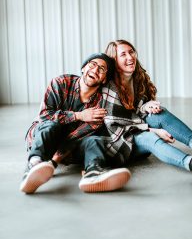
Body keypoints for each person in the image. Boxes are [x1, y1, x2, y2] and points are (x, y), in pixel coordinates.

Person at [20, 53, 131, 194]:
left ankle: (93, 173)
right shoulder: (61, 83)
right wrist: (79, 116)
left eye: (102, 69)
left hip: (69, 148)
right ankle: (33, 165)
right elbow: (45, 116)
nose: (95, 70)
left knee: (94, 140)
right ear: (84, 68)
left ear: (104, 80)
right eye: (92, 64)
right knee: (51, 125)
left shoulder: (100, 104)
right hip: (42, 140)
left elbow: (78, 136)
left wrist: (54, 161)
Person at [92, 39, 192, 178]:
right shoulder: (109, 87)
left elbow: (131, 112)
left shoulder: (137, 78)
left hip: (135, 132)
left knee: (159, 113)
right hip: (118, 143)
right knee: (148, 137)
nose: (130, 57)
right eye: (123, 54)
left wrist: (144, 106)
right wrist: (152, 130)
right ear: (114, 60)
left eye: (131, 52)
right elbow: (116, 126)